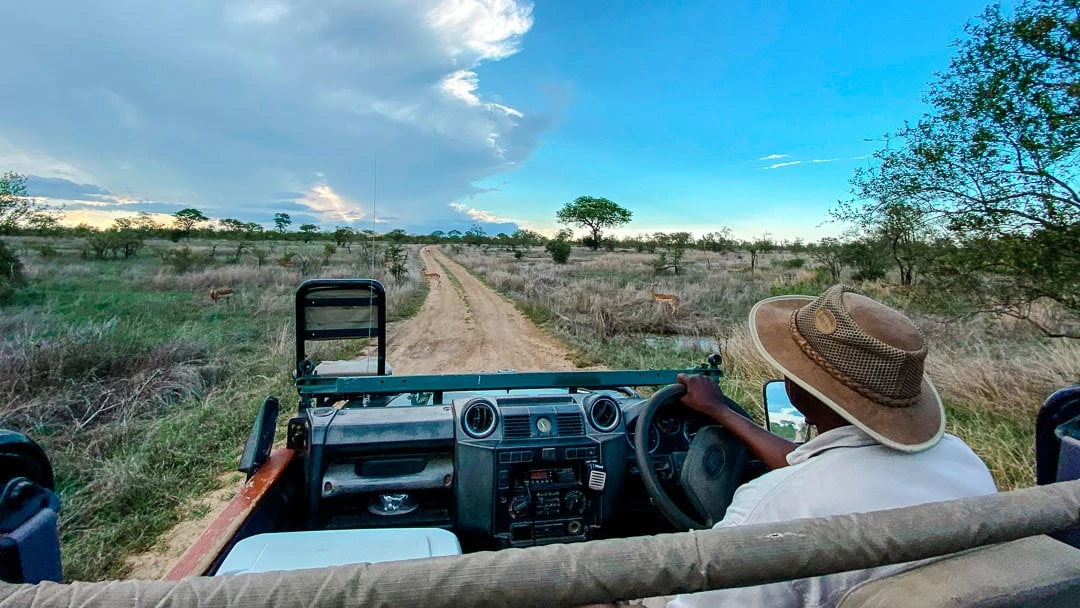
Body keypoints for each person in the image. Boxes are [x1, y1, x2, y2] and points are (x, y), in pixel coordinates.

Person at [660, 285, 998, 607]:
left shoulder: (774, 510)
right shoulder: (962, 460)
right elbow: (819, 469)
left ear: (797, 389)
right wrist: (720, 411)